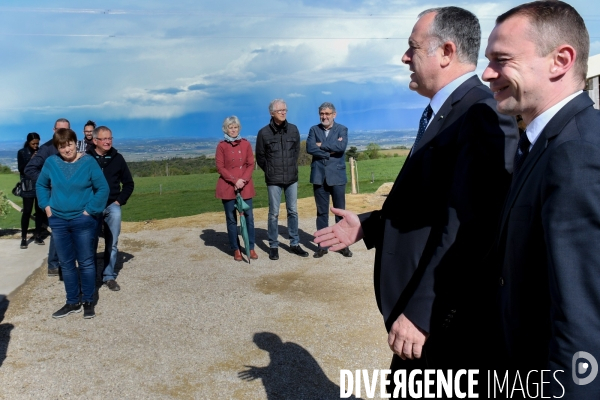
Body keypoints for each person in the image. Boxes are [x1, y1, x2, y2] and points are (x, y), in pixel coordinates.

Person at [314, 6, 518, 389]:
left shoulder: (480, 114)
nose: (405, 57)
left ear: (446, 52)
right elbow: (433, 204)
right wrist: (370, 224)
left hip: (444, 323)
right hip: (426, 318)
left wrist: (422, 313)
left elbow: (471, 228)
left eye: (413, 47)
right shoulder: (447, 111)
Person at [483, 1, 600, 396]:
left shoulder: (577, 152)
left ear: (560, 60)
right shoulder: (541, 142)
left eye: (501, 60)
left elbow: (582, 316)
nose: (486, 74)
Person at [37, 128, 109, 319]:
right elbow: (41, 185)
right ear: (57, 148)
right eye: (62, 147)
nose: (67, 150)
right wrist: (46, 207)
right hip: (58, 220)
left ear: (75, 143)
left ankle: (87, 300)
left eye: (69, 145)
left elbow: (102, 188)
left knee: (85, 262)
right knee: (66, 264)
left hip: (82, 220)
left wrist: (90, 211)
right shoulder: (51, 163)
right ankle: (72, 301)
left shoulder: (88, 162)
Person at [255, 99, 308, 260]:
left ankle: (294, 243)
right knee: (274, 214)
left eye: (285, 110)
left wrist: (290, 167)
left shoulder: (293, 130)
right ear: (272, 113)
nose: (283, 112)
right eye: (280, 110)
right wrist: (271, 170)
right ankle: (273, 246)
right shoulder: (263, 133)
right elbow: (260, 157)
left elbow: (296, 152)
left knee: (293, 211)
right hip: (274, 179)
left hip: (292, 177)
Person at [88, 126, 134, 291]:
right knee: (90, 243)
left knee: (112, 243)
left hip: (111, 205)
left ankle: (108, 276)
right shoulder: (86, 159)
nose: (108, 141)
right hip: (91, 206)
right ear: (95, 141)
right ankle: (90, 278)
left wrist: (119, 201)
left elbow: (129, 183)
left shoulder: (118, 158)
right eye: (104, 139)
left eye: (110, 138)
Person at [24, 118, 71, 277]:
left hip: (69, 196)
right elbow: (29, 169)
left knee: (64, 230)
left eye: (66, 130)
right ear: (54, 130)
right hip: (53, 198)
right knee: (59, 230)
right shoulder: (46, 149)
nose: (63, 133)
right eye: (60, 130)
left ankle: (58, 263)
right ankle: (54, 265)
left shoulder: (70, 147)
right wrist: (48, 180)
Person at [306, 102, 351, 258]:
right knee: (321, 213)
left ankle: (343, 244)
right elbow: (310, 148)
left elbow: (341, 147)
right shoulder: (313, 129)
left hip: (337, 177)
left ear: (334, 114)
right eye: (322, 114)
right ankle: (322, 245)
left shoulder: (342, 129)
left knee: (340, 213)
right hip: (319, 177)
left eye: (327, 113)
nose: (324, 116)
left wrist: (321, 145)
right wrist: (328, 151)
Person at [215, 116, 257, 261]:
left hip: (245, 186)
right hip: (228, 187)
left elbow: (251, 164)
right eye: (230, 127)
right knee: (232, 220)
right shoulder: (221, 146)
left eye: (235, 127)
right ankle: (236, 249)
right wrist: (234, 181)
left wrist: (243, 180)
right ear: (225, 129)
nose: (233, 130)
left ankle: (250, 247)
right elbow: (220, 167)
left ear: (239, 128)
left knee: (249, 218)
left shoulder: (246, 144)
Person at [17, 132, 43, 249]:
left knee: (39, 211)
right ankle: (23, 238)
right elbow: (21, 169)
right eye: (33, 144)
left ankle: (38, 235)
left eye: (37, 143)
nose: (36, 146)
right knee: (27, 211)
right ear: (28, 142)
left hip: (39, 183)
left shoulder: (41, 152)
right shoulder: (22, 152)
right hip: (27, 185)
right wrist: (31, 160)